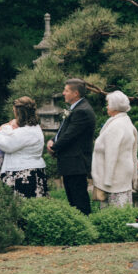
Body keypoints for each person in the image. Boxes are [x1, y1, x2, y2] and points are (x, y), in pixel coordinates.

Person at [47, 78, 96, 214]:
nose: (63, 93)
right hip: (71, 163)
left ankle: (85, 229)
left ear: (75, 93)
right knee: (73, 201)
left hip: (76, 163)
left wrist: (54, 147)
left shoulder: (82, 111)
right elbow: (64, 130)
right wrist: (52, 140)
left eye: (66, 90)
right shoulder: (75, 109)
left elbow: (70, 135)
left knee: (79, 202)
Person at [91, 91, 138, 208]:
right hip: (121, 174)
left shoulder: (116, 125)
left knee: (114, 211)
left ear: (114, 106)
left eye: (108, 104)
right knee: (123, 208)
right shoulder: (126, 121)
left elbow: (111, 153)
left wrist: (107, 180)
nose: (107, 106)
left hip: (115, 176)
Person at [0, 97, 47, 197]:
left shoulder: (25, 132)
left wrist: (3, 128)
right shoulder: (35, 128)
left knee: (21, 206)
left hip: (22, 173)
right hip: (35, 170)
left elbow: (3, 143)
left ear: (18, 113)